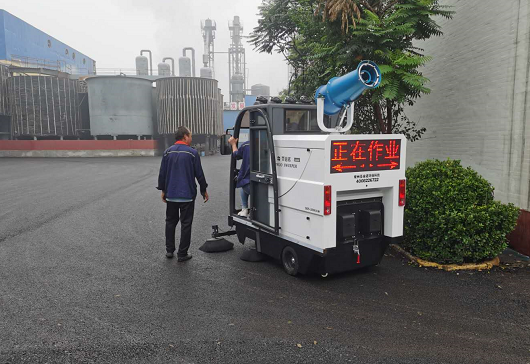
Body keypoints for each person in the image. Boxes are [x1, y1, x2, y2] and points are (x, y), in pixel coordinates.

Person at [157, 126, 209, 262]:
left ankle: (169, 251)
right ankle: (182, 254)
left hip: (171, 194)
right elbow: (199, 174)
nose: (191, 138)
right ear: (185, 136)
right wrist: (204, 190)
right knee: (186, 224)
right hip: (187, 195)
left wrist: (163, 190)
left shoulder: (167, 152)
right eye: (190, 136)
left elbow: (162, 173)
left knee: (170, 222)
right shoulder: (192, 153)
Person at [228, 136, 250, 217]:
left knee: (243, 183)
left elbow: (236, 155)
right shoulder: (268, 144)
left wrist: (233, 144)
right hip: (265, 184)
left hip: (249, 185)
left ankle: (244, 209)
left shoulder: (246, 145)